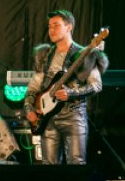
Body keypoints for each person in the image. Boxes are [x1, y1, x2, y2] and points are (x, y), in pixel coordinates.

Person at [23, 9, 108, 164]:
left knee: (76, 164)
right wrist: (29, 109)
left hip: (73, 117)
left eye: (56, 25)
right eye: (49, 26)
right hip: (48, 119)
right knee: (49, 166)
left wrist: (71, 93)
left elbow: (96, 85)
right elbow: (33, 88)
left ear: (69, 27)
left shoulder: (86, 55)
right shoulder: (45, 55)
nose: (51, 30)